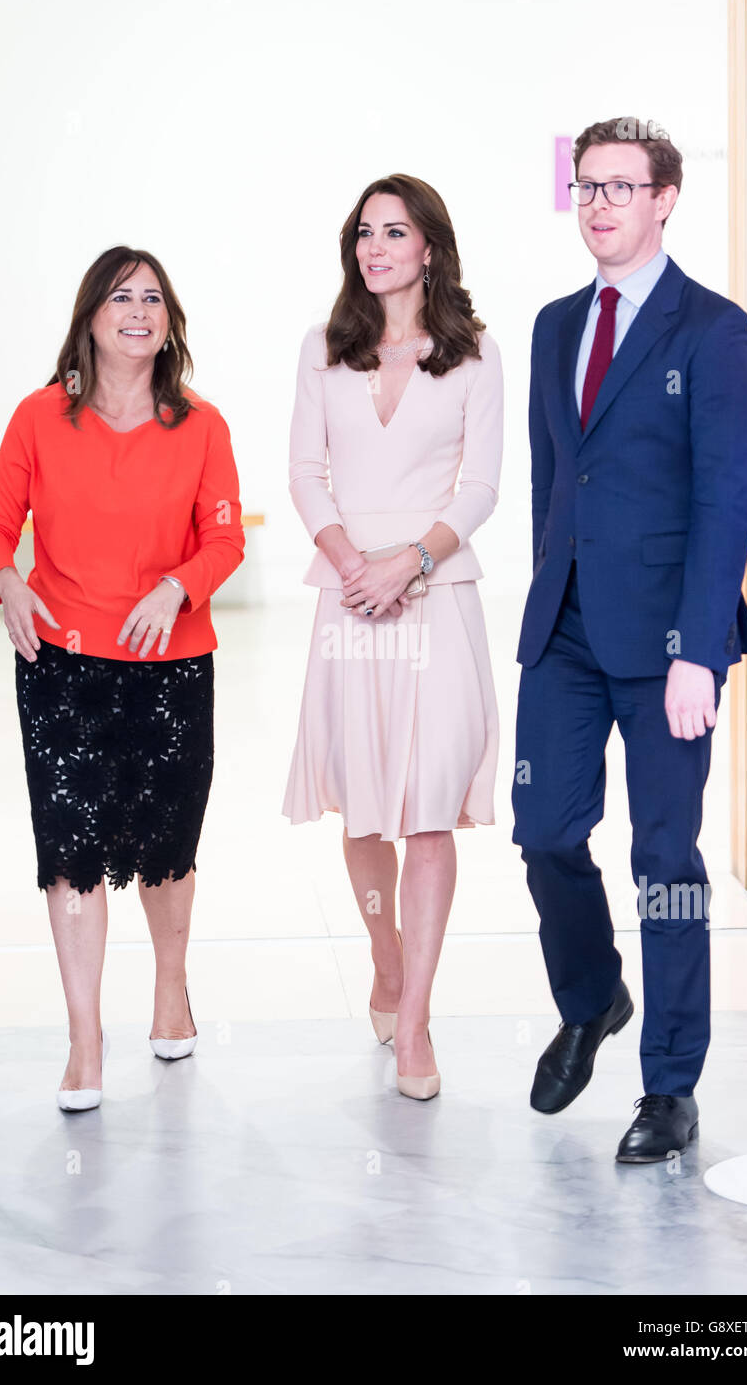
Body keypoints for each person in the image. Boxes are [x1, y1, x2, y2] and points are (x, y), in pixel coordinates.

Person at [512, 118, 747, 1162]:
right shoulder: (553, 323)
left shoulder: (708, 327)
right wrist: (544, 594)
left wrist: (698, 650)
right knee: (544, 830)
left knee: (663, 860)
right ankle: (593, 995)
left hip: (667, 642)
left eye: (620, 185)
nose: (599, 202)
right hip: (565, 628)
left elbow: (725, 492)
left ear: (665, 198)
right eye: (586, 184)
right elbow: (548, 481)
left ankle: (668, 1087)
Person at [0, 246, 245, 1111]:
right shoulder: (37, 417)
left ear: (171, 323)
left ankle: (171, 986)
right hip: (60, 664)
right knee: (71, 849)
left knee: (166, 844)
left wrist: (179, 586)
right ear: (90, 314)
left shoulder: (200, 425)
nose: (138, 312)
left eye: (154, 299)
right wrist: (7, 581)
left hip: (171, 667)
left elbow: (225, 539)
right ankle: (83, 1036)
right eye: (121, 297)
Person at [283, 174, 503, 1099]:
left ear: (429, 248)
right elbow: (304, 472)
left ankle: (414, 1022)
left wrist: (407, 561)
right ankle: (385, 952)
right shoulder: (324, 349)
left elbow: (481, 487)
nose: (376, 248)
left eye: (394, 232)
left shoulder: (475, 353)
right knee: (363, 803)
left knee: (425, 806)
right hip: (347, 600)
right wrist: (350, 564)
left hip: (434, 596)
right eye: (364, 233)